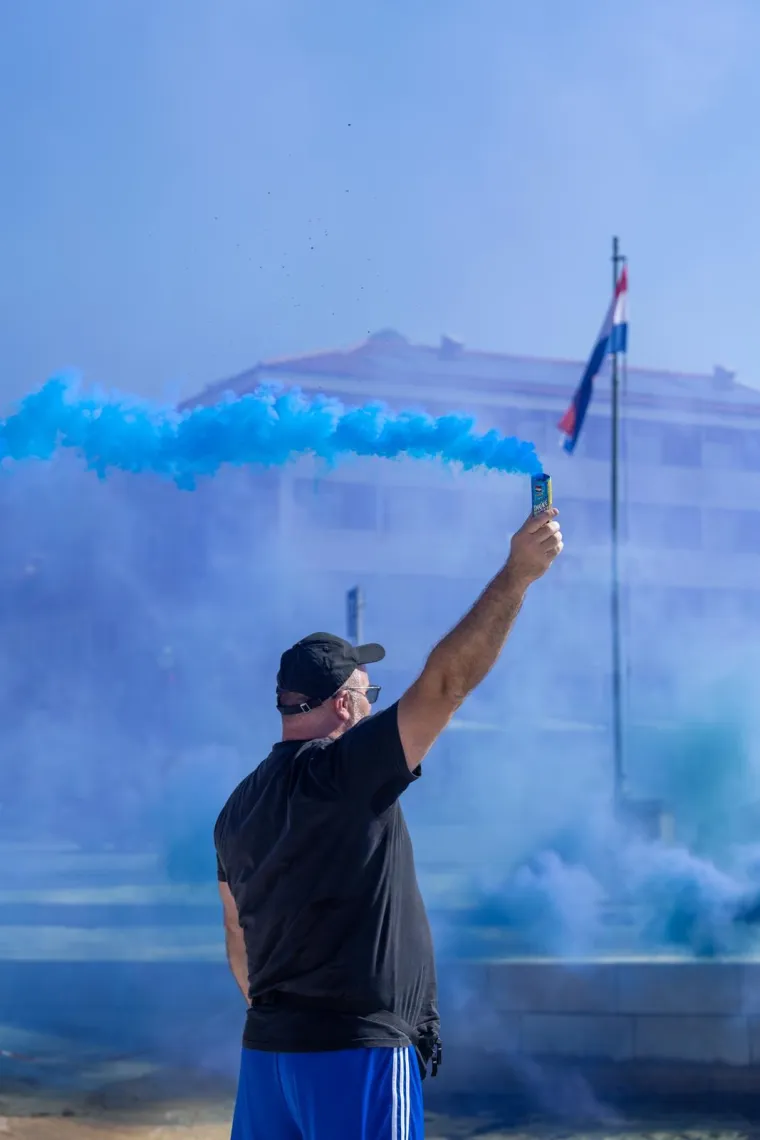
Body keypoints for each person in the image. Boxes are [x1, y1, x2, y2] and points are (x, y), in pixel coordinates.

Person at [214, 506, 563, 1140]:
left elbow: (238, 940)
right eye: (370, 696)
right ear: (346, 704)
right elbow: (446, 683)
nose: (374, 708)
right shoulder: (342, 773)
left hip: (269, 1056)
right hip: (357, 1054)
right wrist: (518, 575)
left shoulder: (236, 808)